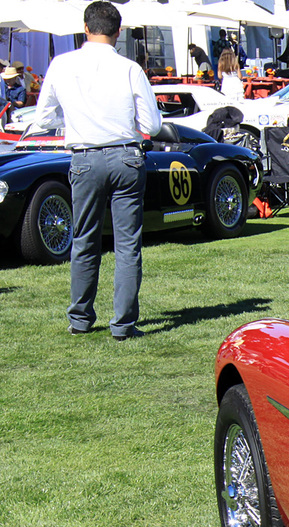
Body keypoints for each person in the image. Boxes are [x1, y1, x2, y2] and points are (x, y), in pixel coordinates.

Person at [34, 1, 161, 339]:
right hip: (126, 157)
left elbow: (43, 118)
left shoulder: (61, 65)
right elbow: (152, 122)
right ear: (118, 32)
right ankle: (123, 324)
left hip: (85, 157)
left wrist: (73, 120)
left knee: (85, 240)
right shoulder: (130, 68)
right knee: (127, 244)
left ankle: (80, 318)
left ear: (85, 28)